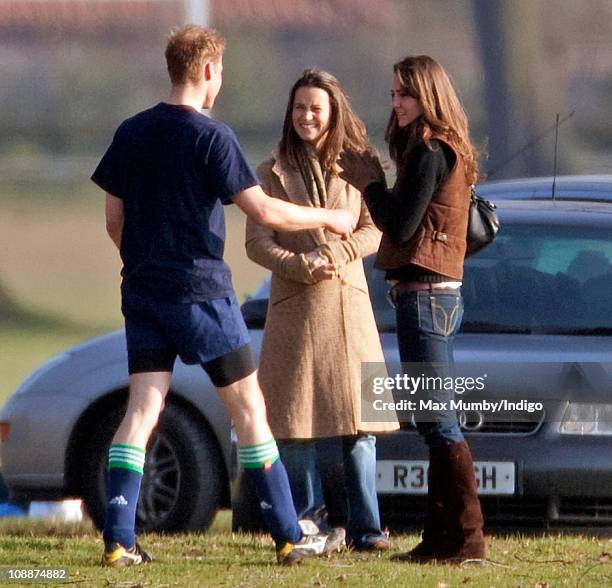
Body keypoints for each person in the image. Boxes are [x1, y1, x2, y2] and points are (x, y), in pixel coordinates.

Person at [91, 25, 357, 568]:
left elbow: (114, 219)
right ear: (208, 70)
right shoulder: (214, 137)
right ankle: (288, 534)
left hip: (142, 292)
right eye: (221, 72)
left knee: (142, 409)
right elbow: (264, 212)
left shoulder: (129, 132)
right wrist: (333, 217)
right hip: (203, 294)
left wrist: (146, 266)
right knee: (249, 410)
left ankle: (119, 539)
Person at [339, 55, 486, 563]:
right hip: (430, 295)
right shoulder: (435, 147)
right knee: (432, 417)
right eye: (394, 94)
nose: (397, 103)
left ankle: (463, 537)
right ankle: (443, 537)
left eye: (405, 94)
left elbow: (399, 226)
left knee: (438, 420)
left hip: (426, 297)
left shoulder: (430, 151)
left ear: (429, 96)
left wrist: (370, 183)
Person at [245, 69, 398, 552]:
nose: (306, 116)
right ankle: (308, 524)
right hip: (295, 310)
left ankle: (367, 531)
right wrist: (298, 265)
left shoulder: (362, 164)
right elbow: (256, 242)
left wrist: (337, 254)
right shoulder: (269, 170)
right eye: (299, 108)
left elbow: (376, 229)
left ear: (333, 112)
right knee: (294, 428)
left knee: (360, 429)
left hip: (350, 310)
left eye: (315, 107)